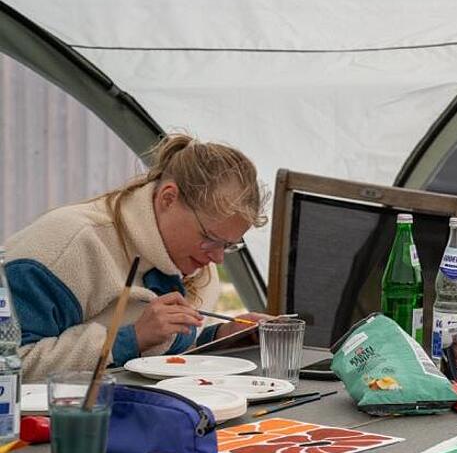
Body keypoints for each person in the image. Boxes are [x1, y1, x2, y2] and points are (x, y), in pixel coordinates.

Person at [6, 133, 270, 378]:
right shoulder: (70, 245)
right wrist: (130, 339)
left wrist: (223, 338)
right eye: (209, 238)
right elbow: (12, 365)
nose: (217, 258)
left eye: (228, 246)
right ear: (168, 198)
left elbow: (164, 355)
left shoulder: (195, 266)